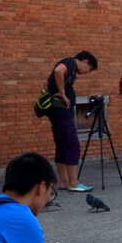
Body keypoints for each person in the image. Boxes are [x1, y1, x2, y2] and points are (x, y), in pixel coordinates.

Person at [43, 50, 97, 193]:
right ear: (86, 61)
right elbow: (58, 70)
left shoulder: (69, 65)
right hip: (61, 112)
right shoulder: (70, 63)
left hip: (56, 112)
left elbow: (48, 81)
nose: (86, 72)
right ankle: (73, 183)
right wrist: (62, 93)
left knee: (62, 146)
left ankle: (63, 182)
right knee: (72, 145)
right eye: (89, 69)